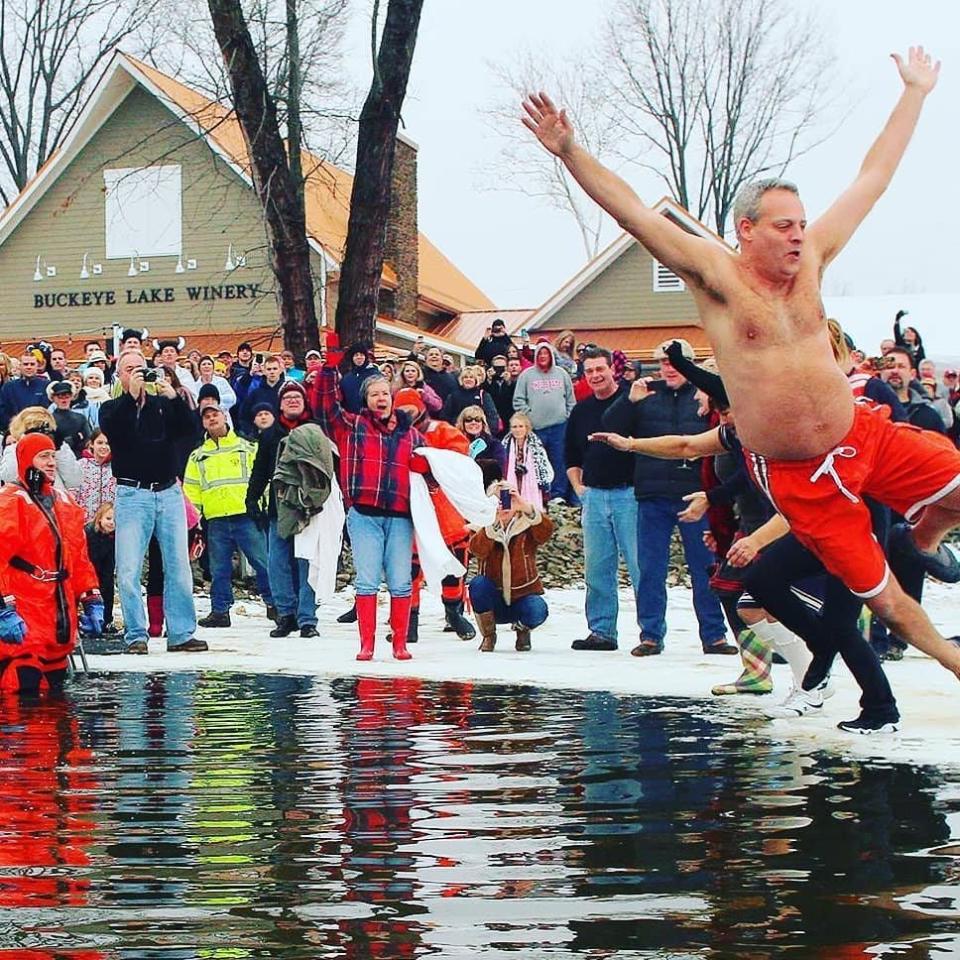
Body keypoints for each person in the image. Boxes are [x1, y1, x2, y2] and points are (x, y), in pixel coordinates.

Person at [521, 47, 960, 683]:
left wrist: (915, 92)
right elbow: (634, 213)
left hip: (865, 437)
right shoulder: (716, 275)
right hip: (803, 476)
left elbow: (873, 178)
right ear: (745, 229)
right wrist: (570, 152)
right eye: (783, 226)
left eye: (802, 225)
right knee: (882, 598)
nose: (798, 236)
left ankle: (922, 535)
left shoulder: (813, 260)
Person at [601, 339, 733, 657]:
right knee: (650, 569)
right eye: (662, 363)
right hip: (653, 493)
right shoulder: (645, 393)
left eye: (674, 363)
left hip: (694, 494)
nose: (668, 368)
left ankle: (714, 635)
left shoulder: (704, 396)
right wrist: (628, 402)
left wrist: (711, 400)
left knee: (706, 568)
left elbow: (726, 431)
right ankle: (650, 635)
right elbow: (610, 428)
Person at [311, 346, 425, 662]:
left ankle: (400, 643)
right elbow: (324, 409)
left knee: (402, 581)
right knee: (367, 579)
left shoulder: (412, 435)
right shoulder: (351, 426)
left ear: (393, 397)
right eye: (374, 394)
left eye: (385, 392)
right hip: (364, 515)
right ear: (366, 400)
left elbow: (432, 472)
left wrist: (429, 471)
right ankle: (367, 644)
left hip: (401, 518)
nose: (380, 398)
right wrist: (330, 369)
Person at [98, 349, 206, 654]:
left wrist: (172, 396)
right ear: (119, 375)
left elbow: (191, 431)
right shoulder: (110, 407)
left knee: (178, 565)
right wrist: (131, 397)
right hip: (133, 494)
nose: (136, 373)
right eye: (129, 369)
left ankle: (182, 633)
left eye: (141, 368)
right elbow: (114, 430)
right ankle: (136, 634)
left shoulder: (163, 405)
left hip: (168, 491)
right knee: (129, 568)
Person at [0, 432, 103, 694]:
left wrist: (91, 598)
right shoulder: (11, 501)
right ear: (26, 461)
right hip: (24, 611)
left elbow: (78, 556)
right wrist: (3, 608)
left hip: (58, 612)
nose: (50, 463)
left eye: (53, 457)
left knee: (57, 693)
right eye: (43, 456)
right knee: (22, 689)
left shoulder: (64, 501)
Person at [565, 347, 642, 652]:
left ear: (613, 369)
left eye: (600, 369)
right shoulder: (581, 411)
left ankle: (650, 633)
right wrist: (579, 488)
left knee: (640, 567)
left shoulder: (632, 401)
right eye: (589, 371)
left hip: (629, 495)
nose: (596, 376)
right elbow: (570, 455)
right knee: (597, 568)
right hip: (594, 497)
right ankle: (602, 631)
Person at [184, 404, 275, 628]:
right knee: (219, 569)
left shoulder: (246, 447)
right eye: (207, 417)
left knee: (263, 563)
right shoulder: (198, 456)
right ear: (203, 423)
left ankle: (276, 606)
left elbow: (262, 477)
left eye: (215, 414)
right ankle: (220, 611)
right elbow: (191, 490)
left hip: (246, 515)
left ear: (225, 417)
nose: (212, 419)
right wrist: (193, 522)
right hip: (216, 520)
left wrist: (262, 506)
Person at [246, 380, 318, 638]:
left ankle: (308, 618)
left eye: (297, 397)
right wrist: (251, 498)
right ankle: (286, 614)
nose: (292, 401)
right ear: (280, 404)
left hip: (310, 509)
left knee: (306, 563)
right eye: (287, 398)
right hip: (279, 507)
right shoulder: (270, 434)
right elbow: (259, 470)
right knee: (278, 564)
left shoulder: (314, 430)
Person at [468, 484, 553, 652]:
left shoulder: (527, 524)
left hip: (522, 595)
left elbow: (547, 532)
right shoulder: (482, 526)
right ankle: (489, 635)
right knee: (477, 584)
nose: (504, 505)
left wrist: (526, 507)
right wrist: (493, 526)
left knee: (538, 610)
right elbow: (477, 549)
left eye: (508, 499)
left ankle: (522, 630)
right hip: (493, 599)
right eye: (498, 501)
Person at [512, 340, 575, 503]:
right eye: (540, 354)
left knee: (559, 460)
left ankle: (558, 494)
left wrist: (567, 414)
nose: (543, 356)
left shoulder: (562, 374)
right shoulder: (526, 375)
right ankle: (540, 493)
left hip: (560, 426)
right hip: (536, 428)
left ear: (551, 355)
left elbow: (570, 399)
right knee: (536, 461)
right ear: (536, 356)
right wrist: (529, 416)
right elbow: (518, 400)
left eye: (546, 353)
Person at [1, 407, 81, 493]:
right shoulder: (13, 448)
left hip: (53, 499)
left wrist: (59, 448)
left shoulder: (58, 447)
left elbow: (74, 480)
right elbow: (8, 477)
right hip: (23, 499)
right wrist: (24, 444)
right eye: (34, 429)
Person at [880, 347, 947, 433]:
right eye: (889, 367)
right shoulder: (870, 411)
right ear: (881, 372)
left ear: (912, 374)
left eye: (901, 366)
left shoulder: (928, 415)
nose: (895, 371)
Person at [502, 411, 553, 512]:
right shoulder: (504, 445)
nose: (518, 430)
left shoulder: (536, 446)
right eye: (514, 427)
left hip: (531, 484)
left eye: (521, 426)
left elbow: (544, 468)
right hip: (511, 482)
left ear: (527, 428)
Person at [85, 501, 118, 638]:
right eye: (108, 519)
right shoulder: (89, 532)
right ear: (99, 518)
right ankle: (87, 619)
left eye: (115, 520)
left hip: (106, 566)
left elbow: (110, 563)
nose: (111, 523)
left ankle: (106, 620)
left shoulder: (114, 536)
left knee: (108, 589)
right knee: (88, 593)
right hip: (88, 566)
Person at [0, 351, 50, 432]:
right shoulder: (8, 387)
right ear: (20, 366)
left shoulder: (46, 386)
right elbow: (2, 411)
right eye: (26, 364)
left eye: (32, 364)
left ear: (37, 366)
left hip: (41, 431)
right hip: (14, 431)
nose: (29, 367)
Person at [456, 405, 507, 482]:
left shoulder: (494, 444)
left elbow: (498, 468)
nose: (473, 422)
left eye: (477, 419)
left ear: (483, 423)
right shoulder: (455, 444)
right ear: (462, 423)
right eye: (468, 420)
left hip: (486, 487)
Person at [441, 365, 501, 430]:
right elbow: (445, 416)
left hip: (479, 432)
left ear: (475, 380)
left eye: (471, 377)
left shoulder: (484, 395)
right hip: (457, 432)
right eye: (465, 377)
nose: (468, 379)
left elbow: (492, 416)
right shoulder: (453, 395)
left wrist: (489, 431)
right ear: (461, 379)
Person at [76, 430, 116, 520]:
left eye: (107, 443)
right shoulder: (80, 465)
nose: (104, 447)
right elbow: (73, 494)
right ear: (91, 444)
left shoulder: (117, 467)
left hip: (111, 524)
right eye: (100, 443)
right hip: (85, 523)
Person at [47, 380, 91, 456]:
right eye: (59, 397)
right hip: (56, 456)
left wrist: (75, 441)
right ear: (53, 398)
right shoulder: (49, 419)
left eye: (67, 396)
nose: (64, 399)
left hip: (78, 457)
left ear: (71, 397)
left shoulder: (81, 418)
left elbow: (88, 439)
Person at [339, 341, 381, 413]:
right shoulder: (346, 378)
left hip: (371, 417)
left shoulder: (374, 375)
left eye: (361, 355)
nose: (359, 357)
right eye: (356, 355)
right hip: (351, 418)